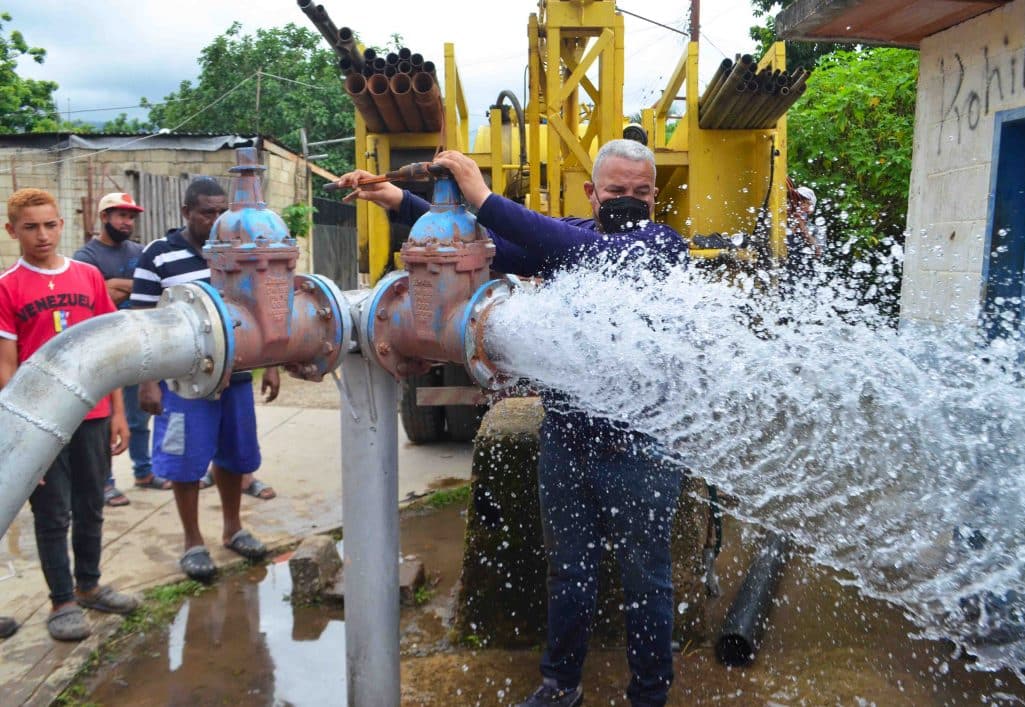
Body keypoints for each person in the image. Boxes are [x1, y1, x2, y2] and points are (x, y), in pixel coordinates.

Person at [338, 139, 687, 707]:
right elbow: (492, 243)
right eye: (617, 191)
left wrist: (483, 194)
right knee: (569, 574)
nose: (629, 201)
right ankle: (560, 685)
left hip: (643, 451)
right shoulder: (571, 238)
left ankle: (649, 694)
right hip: (568, 442)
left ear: (654, 196)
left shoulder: (660, 246)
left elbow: (577, 251)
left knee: (647, 581)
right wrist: (402, 201)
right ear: (592, 193)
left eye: (641, 193)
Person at [0, 188, 139, 641]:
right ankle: (61, 601)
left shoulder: (88, 276)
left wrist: (118, 411)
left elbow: (108, 350)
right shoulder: (7, 287)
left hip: (93, 413)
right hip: (41, 424)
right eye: (30, 227)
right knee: (52, 511)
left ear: (62, 225)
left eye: (49, 225)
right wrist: (19, 439)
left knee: (91, 504)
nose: (42, 236)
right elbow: (6, 369)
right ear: (12, 231)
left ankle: (90, 586)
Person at [130, 177, 279, 582]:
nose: (214, 220)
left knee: (235, 454)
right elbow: (143, 323)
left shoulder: (234, 253)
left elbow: (258, 309)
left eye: (220, 212)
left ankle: (233, 528)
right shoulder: (158, 256)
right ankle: (193, 542)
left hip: (236, 376)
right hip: (182, 383)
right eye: (206, 213)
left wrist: (273, 362)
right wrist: (147, 381)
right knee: (184, 462)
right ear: (186, 213)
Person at [73, 192, 170, 506]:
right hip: (105, 346)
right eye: (121, 216)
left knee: (140, 412)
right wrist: (129, 285)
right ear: (104, 217)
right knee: (106, 417)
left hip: (138, 341)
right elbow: (97, 298)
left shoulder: (139, 251)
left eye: (131, 217)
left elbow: (151, 289)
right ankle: (105, 482)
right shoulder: (86, 256)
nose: (127, 222)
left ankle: (144, 472)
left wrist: (117, 284)